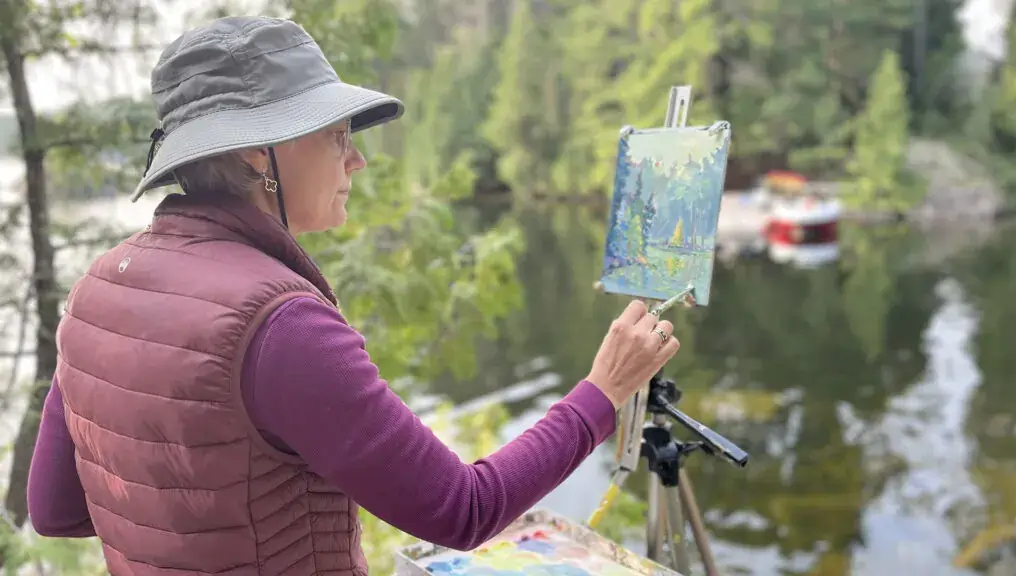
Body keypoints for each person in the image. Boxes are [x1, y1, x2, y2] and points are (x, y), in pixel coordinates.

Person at [26, 15, 680, 576]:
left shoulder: (98, 288)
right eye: (336, 135)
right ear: (259, 153)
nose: (356, 160)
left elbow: (55, 511)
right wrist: (604, 391)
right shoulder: (280, 328)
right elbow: (463, 508)